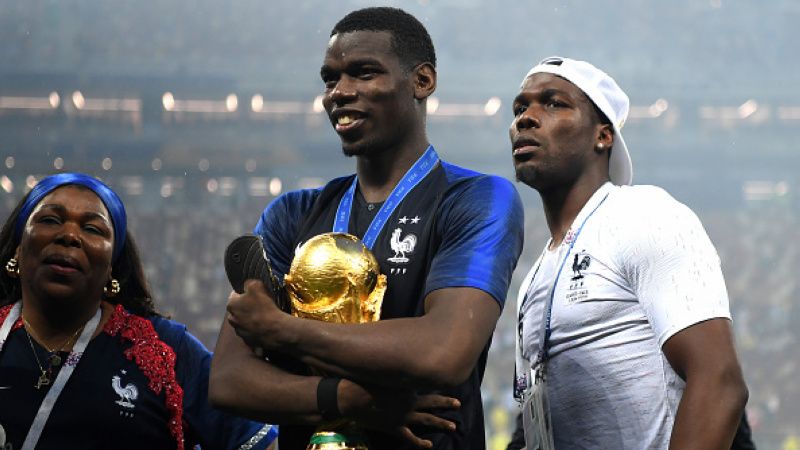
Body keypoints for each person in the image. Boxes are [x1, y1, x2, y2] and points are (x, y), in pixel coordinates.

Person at [209, 6, 524, 450]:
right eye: (331, 78)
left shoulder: (474, 198)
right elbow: (228, 380)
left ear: (422, 81)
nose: (340, 92)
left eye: (363, 73)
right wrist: (346, 400)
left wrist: (283, 331)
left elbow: (443, 351)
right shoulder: (291, 214)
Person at [510, 56, 748, 449]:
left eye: (553, 103)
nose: (526, 118)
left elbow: (719, 381)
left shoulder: (644, 214)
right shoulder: (536, 273)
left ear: (602, 136)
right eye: (520, 107)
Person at [0, 173, 277, 450]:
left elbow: (256, 439)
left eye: (93, 229)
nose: (70, 235)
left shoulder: (165, 349)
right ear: (18, 249)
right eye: (50, 220)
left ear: (111, 269)